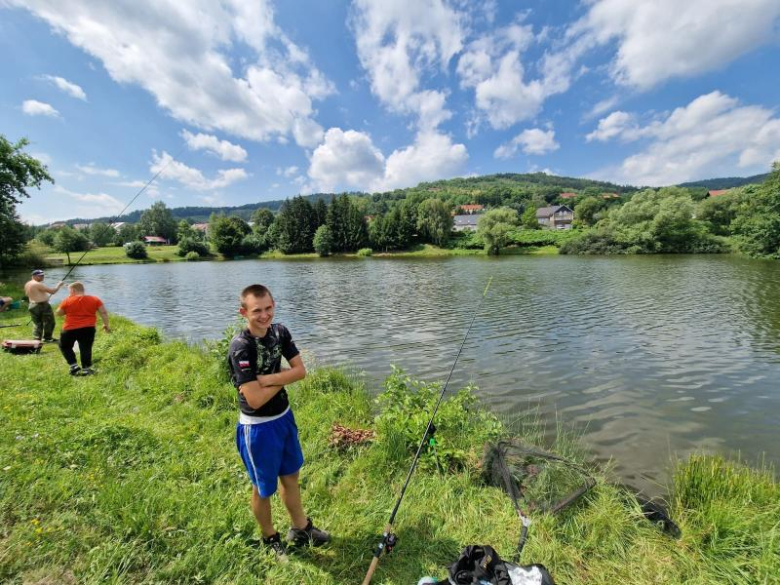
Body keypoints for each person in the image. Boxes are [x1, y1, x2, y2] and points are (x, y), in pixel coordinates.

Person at [228, 284, 330, 559]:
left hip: (284, 418)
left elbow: (301, 372)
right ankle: (270, 537)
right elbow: (255, 400)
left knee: (291, 477)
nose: (264, 315)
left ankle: (300, 528)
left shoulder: (279, 332)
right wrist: (283, 378)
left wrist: (269, 379)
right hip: (258, 428)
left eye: (269, 308)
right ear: (244, 312)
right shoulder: (241, 347)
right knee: (263, 488)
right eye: (257, 310)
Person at [55, 282, 110, 376]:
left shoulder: (67, 300)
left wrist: (69, 306)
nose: (69, 293)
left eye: (69, 291)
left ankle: (74, 366)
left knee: (64, 346)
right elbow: (103, 312)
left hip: (69, 328)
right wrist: (106, 325)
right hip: (88, 328)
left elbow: (58, 313)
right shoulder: (95, 299)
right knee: (86, 348)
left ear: (73, 290)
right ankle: (86, 369)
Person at [24, 269, 64, 342]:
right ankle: (47, 338)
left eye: (43, 275)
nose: (42, 277)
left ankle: (37, 338)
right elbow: (53, 291)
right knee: (50, 322)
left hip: (32, 305)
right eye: (40, 276)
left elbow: (28, 294)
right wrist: (59, 285)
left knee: (37, 323)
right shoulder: (37, 284)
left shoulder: (28, 284)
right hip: (42, 305)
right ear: (34, 276)